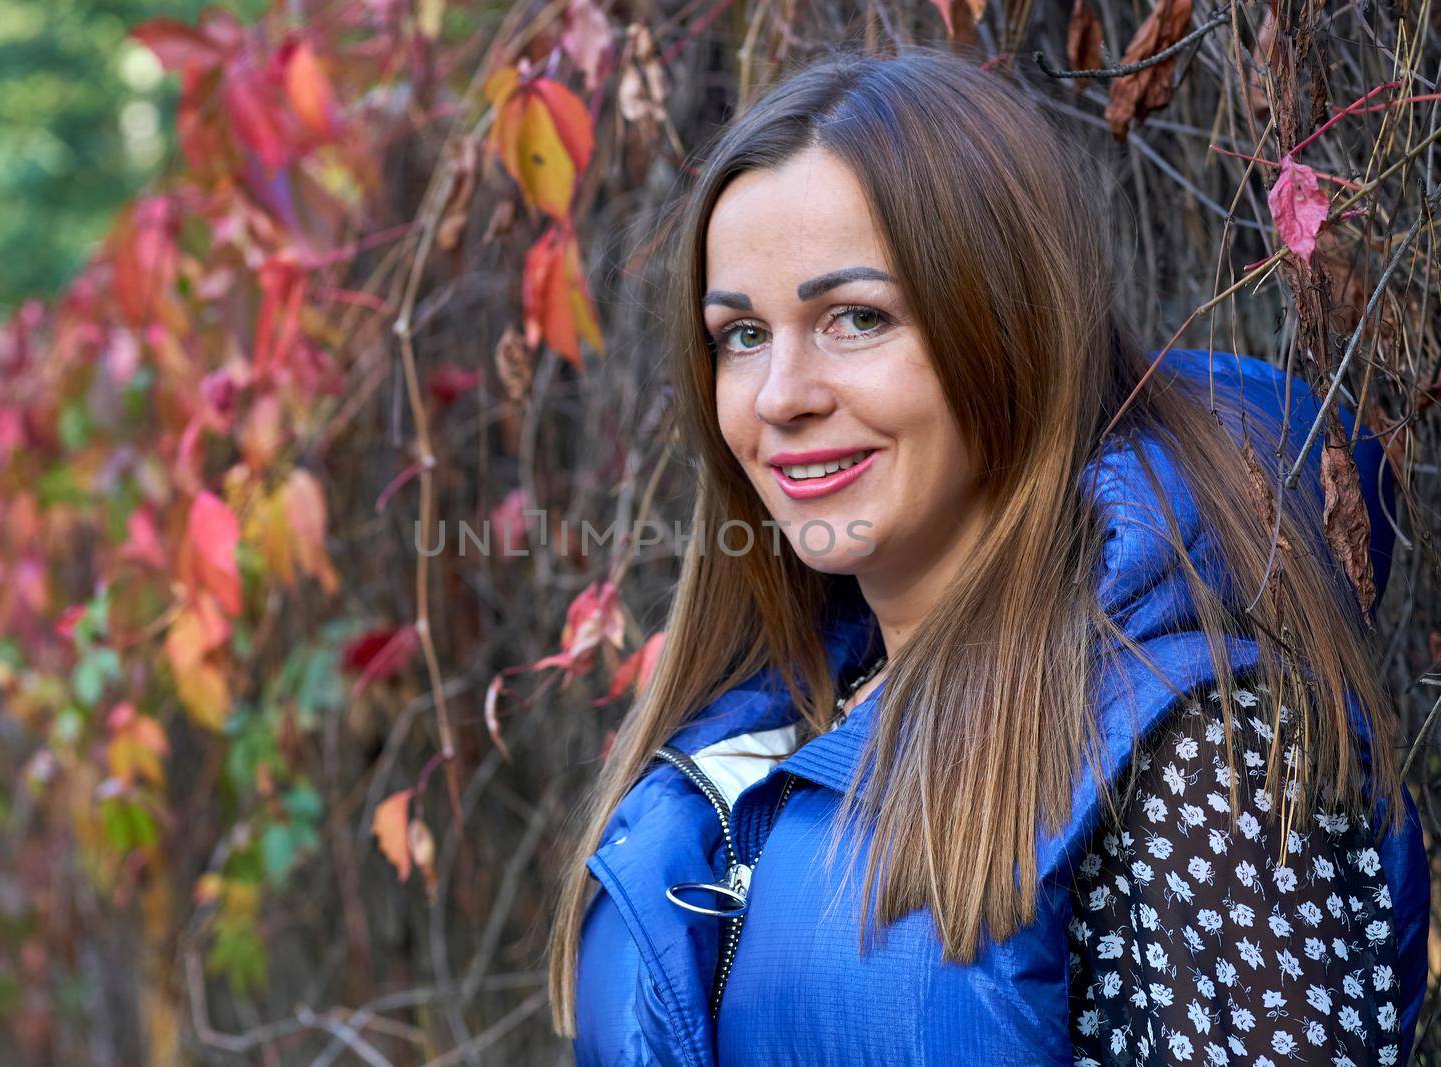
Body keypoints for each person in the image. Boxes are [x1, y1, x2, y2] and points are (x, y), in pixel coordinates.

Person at [544, 48, 1430, 1066]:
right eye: (741, 333)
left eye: (857, 317)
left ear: (1008, 330)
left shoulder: (1199, 758)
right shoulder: (765, 735)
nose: (779, 392)